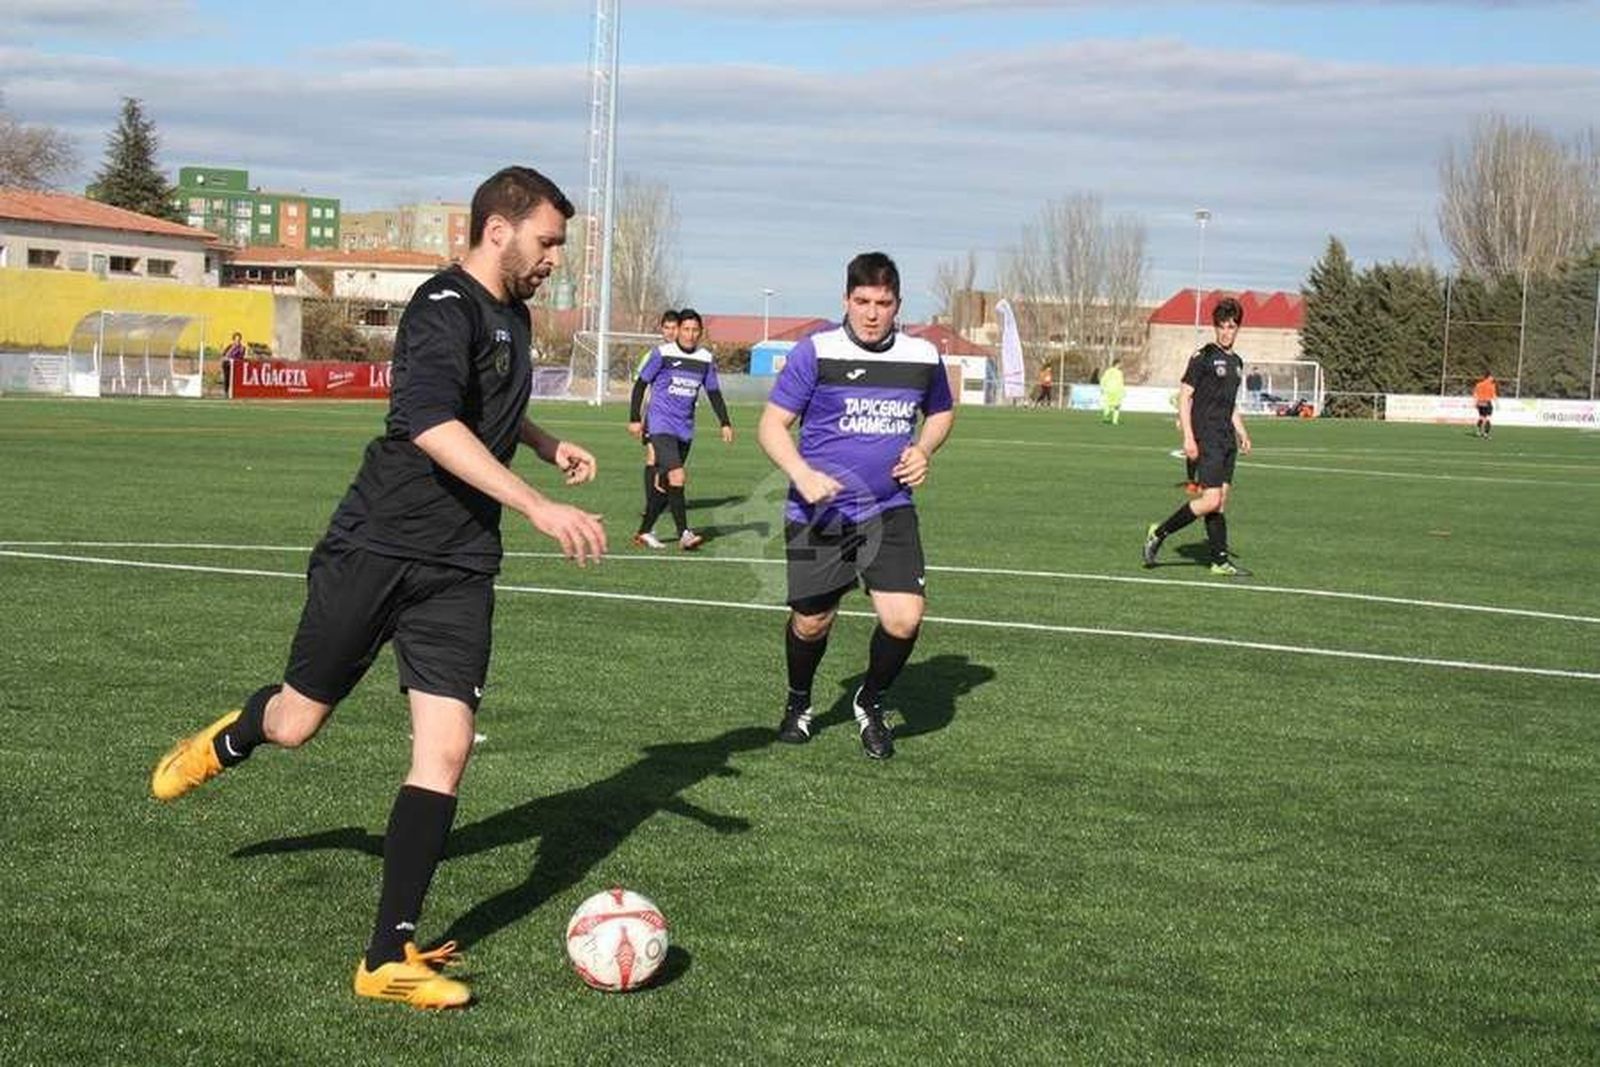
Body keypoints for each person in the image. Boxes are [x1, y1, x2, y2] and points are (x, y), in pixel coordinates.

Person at [149, 166, 607, 1011]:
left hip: (460, 564)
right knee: (298, 722)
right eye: (547, 242)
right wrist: (539, 504)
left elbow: (485, 405)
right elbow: (431, 422)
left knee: (448, 746)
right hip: (379, 546)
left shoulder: (511, 313)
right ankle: (232, 738)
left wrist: (543, 443)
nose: (555, 260)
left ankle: (386, 952)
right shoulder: (441, 308)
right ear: (497, 229)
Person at [758, 252, 955, 760]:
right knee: (812, 623)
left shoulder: (922, 357)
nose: (872, 313)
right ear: (846, 300)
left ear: (898, 305)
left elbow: (940, 413)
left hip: (889, 508)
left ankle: (870, 702)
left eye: (883, 303)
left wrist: (923, 449)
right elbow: (771, 425)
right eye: (862, 301)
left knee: (904, 619)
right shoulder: (816, 351)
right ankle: (799, 701)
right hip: (818, 514)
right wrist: (802, 474)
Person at [1143, 297, 1253, 577]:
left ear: (1238, 328)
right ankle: (1159, 532)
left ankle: (1219, 560)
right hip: (1207, 437)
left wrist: (1242, 431)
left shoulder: (1237, 362)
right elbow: (1184, 395)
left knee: (1220, 500)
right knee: (1210, 500)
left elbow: (1229, 405)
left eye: (1232, 326)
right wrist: (1189, 438)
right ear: (1215, 328)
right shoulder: (1203, 356)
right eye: (1222, 326)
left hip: (1227, 439)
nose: (1227, 332)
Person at [627, 308, 734, 550]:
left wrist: (724, 421)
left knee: (666, 482)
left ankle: (644, 531)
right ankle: (684, 533)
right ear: (678, 331)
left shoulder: (705, 358)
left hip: (684, 428)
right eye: (686, 329)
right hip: (660, 424)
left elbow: (714, 392)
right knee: (677, 476)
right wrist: (635, 418)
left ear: (701, 332)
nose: (690, 334)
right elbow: (640, 385)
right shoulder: (662, 354)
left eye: (695, 330)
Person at [634, 310, 679, 535]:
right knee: (653, 457)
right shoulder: (655, 354)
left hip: (678, 420)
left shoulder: (687, 355)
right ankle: (651, 502)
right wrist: (640, 416)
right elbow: (641, 386)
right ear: (662, 330)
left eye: (674, 328)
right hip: (656, 416)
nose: (671, 332)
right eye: (667, 328)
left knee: (670, 462)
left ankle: (661, 498)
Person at [220, 331, 246, 398]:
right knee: (226, 377)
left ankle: (233, 392)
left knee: (233, 378)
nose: (237, 341)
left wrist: (231, 359)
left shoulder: (242, 348)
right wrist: (224, 357)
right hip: (227, 364)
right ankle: (226, 392)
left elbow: (240, 357)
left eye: (239, 340)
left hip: (235, 365)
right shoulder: (230, 346)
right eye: (236, 340)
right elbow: (224, 354)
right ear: (233, 340)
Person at [1100, 359, 1125, 425]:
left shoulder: (1108, 371)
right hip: (1116, 390)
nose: (1120, 365)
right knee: (1117, 405)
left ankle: (1106, 418)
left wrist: (1102, 388)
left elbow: (1103, 380)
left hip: (1108, 390)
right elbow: (1121, 383)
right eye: (1120, 364)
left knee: (1108, 404)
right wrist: (1123, 391)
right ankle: (1115, 421)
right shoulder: (1119, 372)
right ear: (1117, 364)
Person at [1473, 372, 1498, 438]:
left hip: (1480, 403)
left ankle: (1478, 431)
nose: (1493, 378)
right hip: (1487, 402)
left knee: (1481, 417)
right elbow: (1494, 395)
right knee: (1488, 418)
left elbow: (1475, 394)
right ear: (1489, 377)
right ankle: (1486, 434)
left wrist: (1475, 402)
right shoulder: (1491, 385)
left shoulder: (1478, 384)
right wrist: (1497, 403)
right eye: (1492, 377)